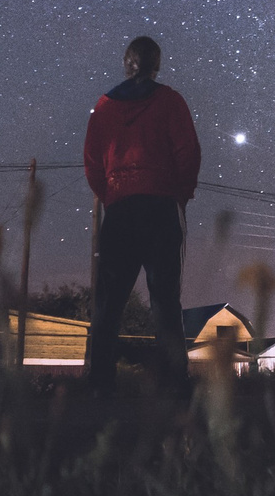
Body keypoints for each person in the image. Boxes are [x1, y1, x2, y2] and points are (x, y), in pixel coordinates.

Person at [82, 35, 201, 393]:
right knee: (165, 301)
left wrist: (112, 197)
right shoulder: (170, 101)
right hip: (160, 208)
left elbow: (91, 163)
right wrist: (180, 196)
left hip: (120, 210)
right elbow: (188, 153)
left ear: (126, 63)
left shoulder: (104, 107)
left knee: (107, 303)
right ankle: (174, 383)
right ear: (156, 65)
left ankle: (99, 384)